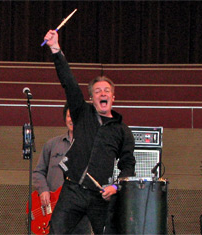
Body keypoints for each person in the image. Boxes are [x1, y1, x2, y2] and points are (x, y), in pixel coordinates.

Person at [43, 30, 136, 234]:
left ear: (113, 97)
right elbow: (68, 82)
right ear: (92, 98)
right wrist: (55, 49)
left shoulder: (122, 131)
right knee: (56, 231)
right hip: (73, 190)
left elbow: (128, 166)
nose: (102, 93)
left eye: (106, 91)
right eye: (97, 91)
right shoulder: (82, 113)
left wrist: (116, 188)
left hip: (100, 195)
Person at [33, 103, 91, 234]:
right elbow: (38, 172)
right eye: (70, 116)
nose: (72, 119)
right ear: (65, 118)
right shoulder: (52, 145)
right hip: (55, 211)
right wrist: (43, 190)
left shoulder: (92, 146)